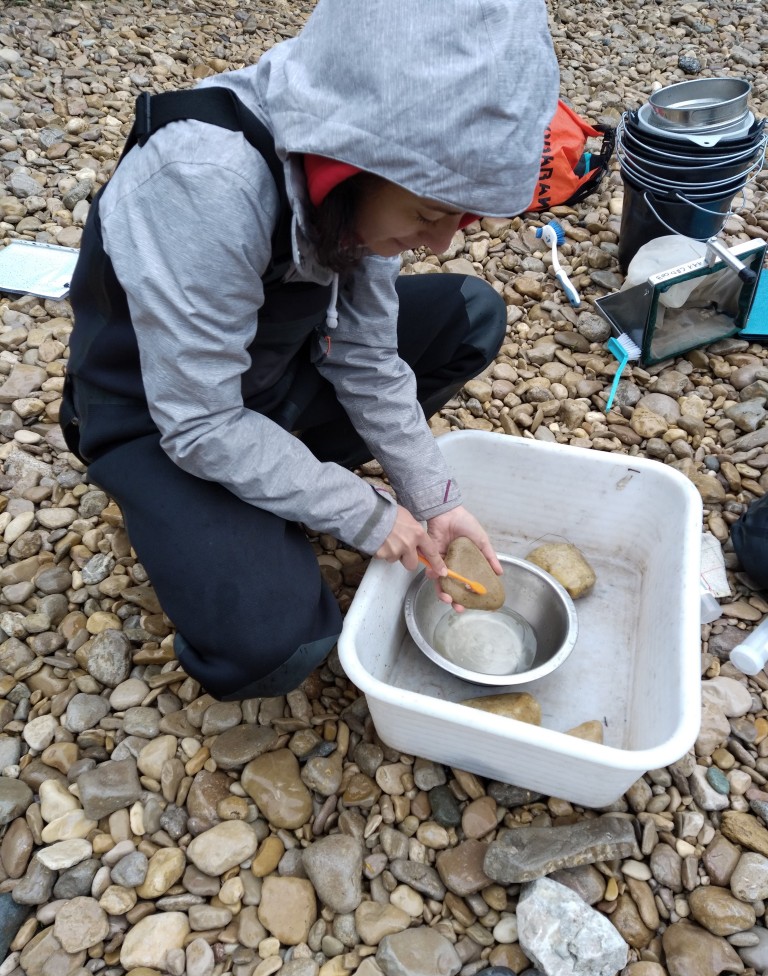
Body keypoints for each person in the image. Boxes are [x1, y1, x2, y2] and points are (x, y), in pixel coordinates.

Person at [62, 0, 559, 701]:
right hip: (158, 412)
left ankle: (273, 484)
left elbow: (364, 354)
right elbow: (200, 422)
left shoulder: (362, 184)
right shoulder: (206, 180)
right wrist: (362, 512)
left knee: (469, 314)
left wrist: (433, 499)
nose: (441, 243)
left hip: (269, 373)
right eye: (427, 215)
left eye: (462, 218)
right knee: (277, 645)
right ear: (350, 164)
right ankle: (198, 521)